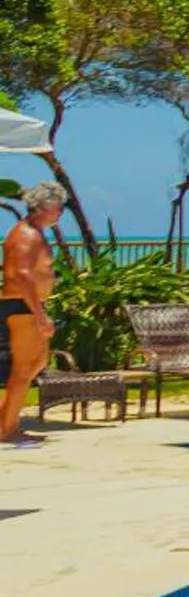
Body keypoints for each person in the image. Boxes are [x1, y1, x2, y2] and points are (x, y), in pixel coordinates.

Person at [1, 182, 66, 448]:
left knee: (36, 363)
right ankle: (7, 429)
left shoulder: (35, 232)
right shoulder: (25, 234)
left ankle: (6, 421)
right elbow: (22, 275)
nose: (61, 212)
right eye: (59, 207)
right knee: (25, 367)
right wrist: (40, 315)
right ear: (43, 206)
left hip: (29, 304)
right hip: (22, 305)